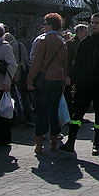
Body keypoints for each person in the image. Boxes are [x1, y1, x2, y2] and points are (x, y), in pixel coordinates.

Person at [59, 13, 99, 155]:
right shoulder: (85, 42)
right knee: (77, 115)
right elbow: (77, 65)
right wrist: (75, 82)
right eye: (92, 22)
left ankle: (97, 144)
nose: (94, 25)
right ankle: (71, 142)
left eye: (97, 22)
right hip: (84, 86)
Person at [26, 13, 68, 154]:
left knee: (41, 112)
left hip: (44, 80)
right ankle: (54, 141)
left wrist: (30, 80)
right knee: (54, 112)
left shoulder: (43, 41)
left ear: (50, 25)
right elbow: (65, 64)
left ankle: (39, 143)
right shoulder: (62, 43)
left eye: (45, 24)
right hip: (57, 80)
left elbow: (37, 63)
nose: (43, 27)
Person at [65, 24, 89, 116]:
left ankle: (79, 115)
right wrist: (67, 75)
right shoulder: (70, 43)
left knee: (80, 96)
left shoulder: (85, 43)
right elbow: (66, 61)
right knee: (70, 95)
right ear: (79, 32)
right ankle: (70, 115)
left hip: (82, 74)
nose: (87, 33)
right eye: (85, 31)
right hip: (72, 74)